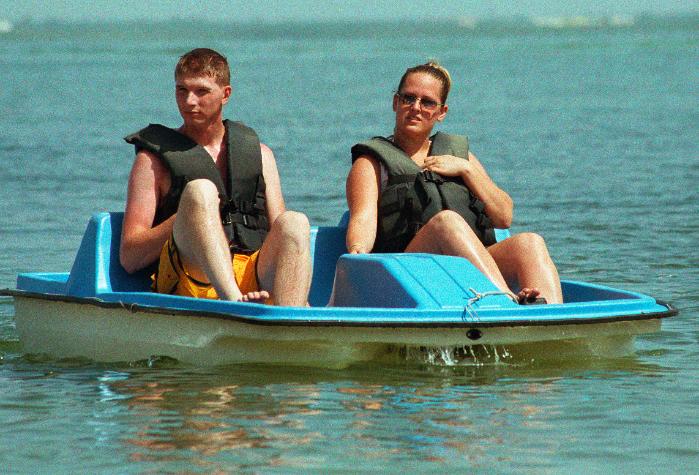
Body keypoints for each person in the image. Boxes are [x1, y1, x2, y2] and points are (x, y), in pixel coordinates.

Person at [345, 62, 563, 304]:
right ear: (396, 103)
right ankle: (507, 302)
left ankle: (550, 316)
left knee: (529, 243)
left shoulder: (459, 156)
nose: (416, 108)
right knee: (446, 222)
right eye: (408, 98)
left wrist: (467, 169)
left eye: (427, 102)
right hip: (407, 271)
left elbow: (504, 217)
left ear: (441, 112)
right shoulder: (371, 163)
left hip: (465, 266)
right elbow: (362, 222)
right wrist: (358, 255)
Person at [120, 48, 311, 306]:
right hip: (188, 277)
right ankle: (234, 304)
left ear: (225, 94)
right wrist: (188, 218)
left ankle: (292, 320)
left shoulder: (261, 155)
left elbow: (280, 236)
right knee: (201, 192)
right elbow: (130, 256)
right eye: (181, 90)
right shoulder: (152, 161)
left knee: (295, 223)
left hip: (250, 271)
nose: (189, 101)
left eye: (202, 91)